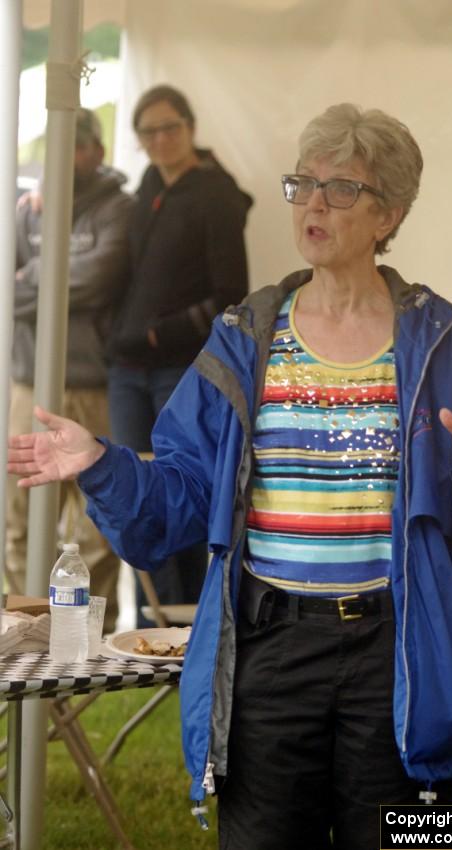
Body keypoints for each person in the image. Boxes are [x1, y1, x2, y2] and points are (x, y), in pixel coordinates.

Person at [8, 103, 452, 850]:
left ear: (388, 213)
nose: (313, 204)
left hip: (398, 652)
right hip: (268, 650)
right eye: (302, 184)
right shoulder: (245, 340)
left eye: (341, 189)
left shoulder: (448, 346)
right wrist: (104, 466)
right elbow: (179, 501)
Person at [106, 84, 253, 625]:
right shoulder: (147, 187)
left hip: (182, 370)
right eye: (149, 132)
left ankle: (187, 628)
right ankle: (148, 626)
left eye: (171, 127)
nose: (161, 139)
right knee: (133, 491)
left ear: (191, 127)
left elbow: (230, 294)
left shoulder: (215, 194)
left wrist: (157, 334)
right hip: (127, 374)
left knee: (182, 494)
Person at [7, 108, 133, 631]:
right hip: (28, 383)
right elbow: (6, 288)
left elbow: (99, 279)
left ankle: (89, 639)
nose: (69, 157)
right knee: (16, 519)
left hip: (93, 386)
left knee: (94, 526)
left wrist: (32, 273)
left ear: (97, 151)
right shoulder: (26, 210)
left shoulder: (118, 209)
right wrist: (43, 281)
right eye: (60, 147)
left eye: (79, 147)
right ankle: (24, 632)